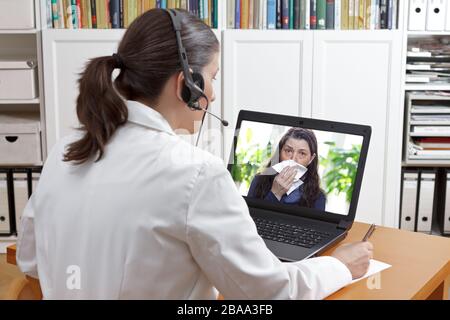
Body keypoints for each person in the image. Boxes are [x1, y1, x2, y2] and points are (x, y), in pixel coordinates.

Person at [16, 9, 372, 299]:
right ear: (185, 84)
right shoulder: (197, 174)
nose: (213, 95)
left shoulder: (66, 150)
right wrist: (339, 266)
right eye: (211, 77)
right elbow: (269, 292)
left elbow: (31, 262)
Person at [247, 128, 326, 210]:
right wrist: (275, 194)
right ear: (280, 152)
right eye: (288, 151)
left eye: (302, 153)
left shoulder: (318, 197)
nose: (293, 159)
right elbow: (249, 219)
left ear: (311, 159)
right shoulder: (259, 181)